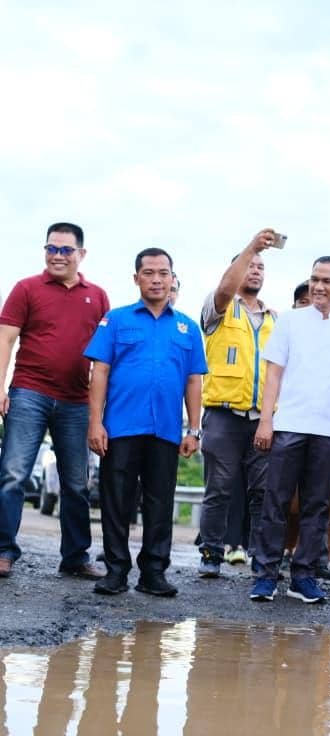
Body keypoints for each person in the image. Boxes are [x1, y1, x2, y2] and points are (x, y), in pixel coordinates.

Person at [84, 248, 207, 596]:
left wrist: (193, 429)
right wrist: (95, 423)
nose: (156, 279)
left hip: (166, 429)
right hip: (121, 427)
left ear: (172, 278)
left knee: (159, 502)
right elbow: (100, 371)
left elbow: (194, 380)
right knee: (116, 502)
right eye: (149, 273)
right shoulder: (116, 320)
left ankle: (153, 572)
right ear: (136, 278)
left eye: (163, 273)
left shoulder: (187, 328)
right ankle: (116, 571)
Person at [250, 256, 330, 604]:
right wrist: (266, 420)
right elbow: (273, 374)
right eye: (314, 279)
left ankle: (303, 575)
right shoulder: (290, 321)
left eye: (326, 281)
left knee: (317, 504)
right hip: (289, 424)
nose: (318, 286)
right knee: (275, 500)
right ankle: (266, 575)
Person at [0, 223, 109, 580]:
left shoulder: (98, 296)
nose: (57, 256)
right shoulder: (26, 288)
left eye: (65, 250)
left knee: (76, 483)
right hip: (29, 393)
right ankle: (3, 551)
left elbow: (104, 358)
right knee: (13, 474)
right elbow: (5, 340)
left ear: (81, 254)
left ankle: (75, 557)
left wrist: (100, 411)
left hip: (77, 401)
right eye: (51, 248)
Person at [195, 229, 278, 578]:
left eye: (260, 266)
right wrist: (251, 248)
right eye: (249, 265)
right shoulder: (221, 308)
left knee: (263, 491)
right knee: (219, 488)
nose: (255, 270)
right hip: (223, 415)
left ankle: (260, 556)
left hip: (262, 417)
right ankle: (211, 553)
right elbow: (225, 288)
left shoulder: (275, 319)